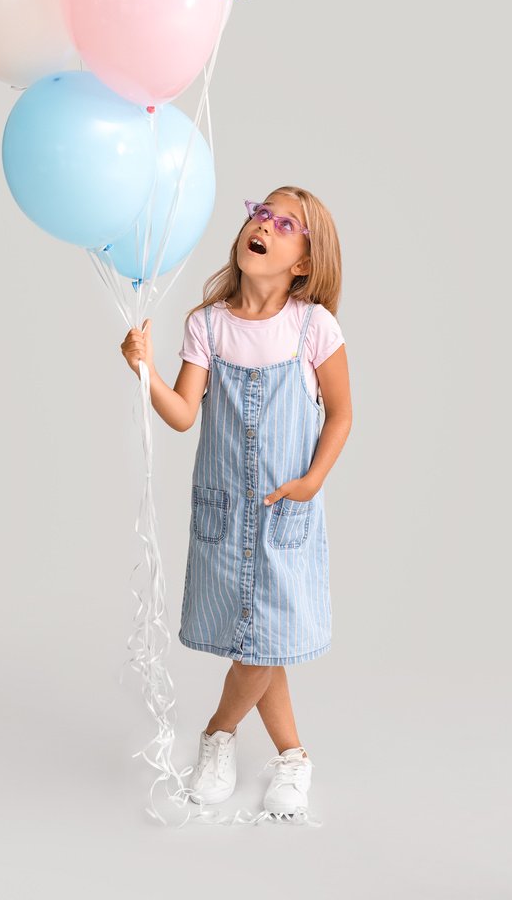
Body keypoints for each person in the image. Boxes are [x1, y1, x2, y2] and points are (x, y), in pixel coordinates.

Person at [121, 186, 352, 821]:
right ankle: (293, 757)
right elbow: (183, 415)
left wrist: (311, 481)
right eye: (260, 213)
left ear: (304, 260)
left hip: (284, 514)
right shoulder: (209, 324)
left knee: (261, 641)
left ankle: (218, 735)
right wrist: (145, 371)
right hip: (225, 513)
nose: (265, 225)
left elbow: (341, 413)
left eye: (285, 224)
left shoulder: (314, 327)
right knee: (258, 640)